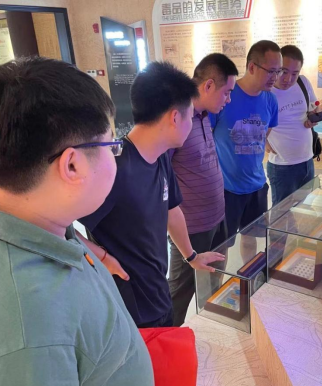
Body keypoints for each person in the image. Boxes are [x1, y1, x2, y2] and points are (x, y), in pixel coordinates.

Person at [0, 57, 155, 386]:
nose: (115, 155)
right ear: (72, 164)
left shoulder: (30, 219)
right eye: (111, 145)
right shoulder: (25, 330)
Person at [78, 61, 224, 329]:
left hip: (157, 293)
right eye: (190, 116)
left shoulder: (160, 156)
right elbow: (57, 229)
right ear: (175, 117)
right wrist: (103, 258)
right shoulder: (113, 168)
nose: (191, 123)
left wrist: (192, 257)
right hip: (129, 309)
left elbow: (172, 210)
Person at [168, 53, 238, 326]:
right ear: (208, 85)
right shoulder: (177, 119)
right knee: (179, 293)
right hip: (191, 228)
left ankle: (209, 330)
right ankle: (166, 339)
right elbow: (163, 181)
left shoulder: (206, 115)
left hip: (217, 219)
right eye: (227, 92)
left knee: (214, 284)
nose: (228, 99)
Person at [210, 40, 282, 238]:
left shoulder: (271, 100)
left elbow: (263, 134)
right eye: (271, 71)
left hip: (256, 185)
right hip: (226, 189)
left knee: (252, 239)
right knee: (222, 245)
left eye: (278, 71)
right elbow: (207, 137)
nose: (275, 78)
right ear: (251, 67)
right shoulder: (226, 96)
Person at [267, 45, 319, 206]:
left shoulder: (303, 83)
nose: (288, 79)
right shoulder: (265, 92)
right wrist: (264, 142)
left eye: (294, 73)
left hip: (307, 161)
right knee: (281, 214)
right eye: (284, 71)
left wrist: (313, 117)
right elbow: (252, 124)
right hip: (282, 167)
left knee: (304, 210)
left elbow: (313, 106)